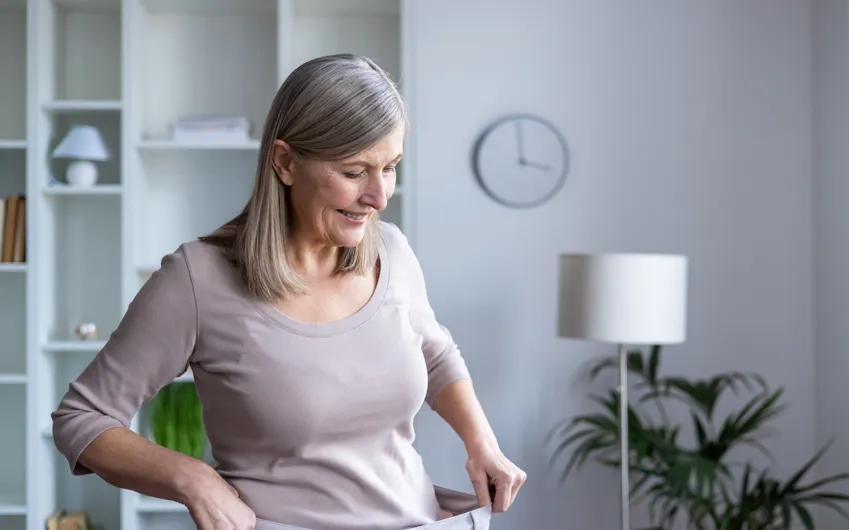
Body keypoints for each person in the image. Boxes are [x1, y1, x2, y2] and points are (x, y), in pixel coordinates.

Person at [50, 54, 525, 530]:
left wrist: (481, 442)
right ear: (285, 162)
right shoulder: (199, 278)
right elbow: (83, 417)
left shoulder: (392, 252)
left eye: (391, 167)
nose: (380, 197)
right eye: (355, 172)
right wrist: (192, 478)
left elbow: (435, 354)